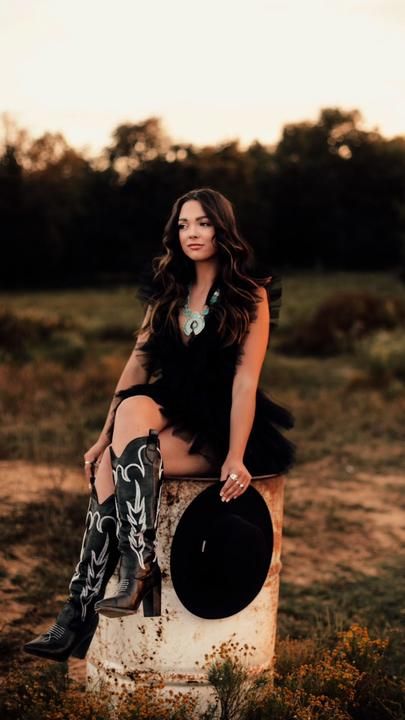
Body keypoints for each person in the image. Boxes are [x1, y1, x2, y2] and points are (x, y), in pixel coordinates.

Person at [24, 187, 296, 662]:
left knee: (112, 470)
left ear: (222, 229)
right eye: (184, 224)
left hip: (216, 423)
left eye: (203, 223)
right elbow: (136, 367)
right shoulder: (167, 292)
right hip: (170, 406)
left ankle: (77, 616)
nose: (192, 233)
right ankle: (134, 568)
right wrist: (102, 436)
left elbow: (244, 383)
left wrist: (236, 454)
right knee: (127, 417)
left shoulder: (248, 295)